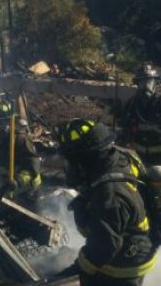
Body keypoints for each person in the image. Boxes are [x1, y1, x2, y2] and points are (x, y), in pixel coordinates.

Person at [57, 118, 157, 286]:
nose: (69, 167)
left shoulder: (109, 195)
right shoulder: (120, 156)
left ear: (85, 158)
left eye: (71, 161)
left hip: (123, 266)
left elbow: (104, 245)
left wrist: (79, 268)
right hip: (133, 244)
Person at [122, 63, 161, 164]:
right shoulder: (132, 104)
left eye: (149, 81)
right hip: (137, 158)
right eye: (142, 82)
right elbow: (125, 128)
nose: (145, 86)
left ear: (157, 83)